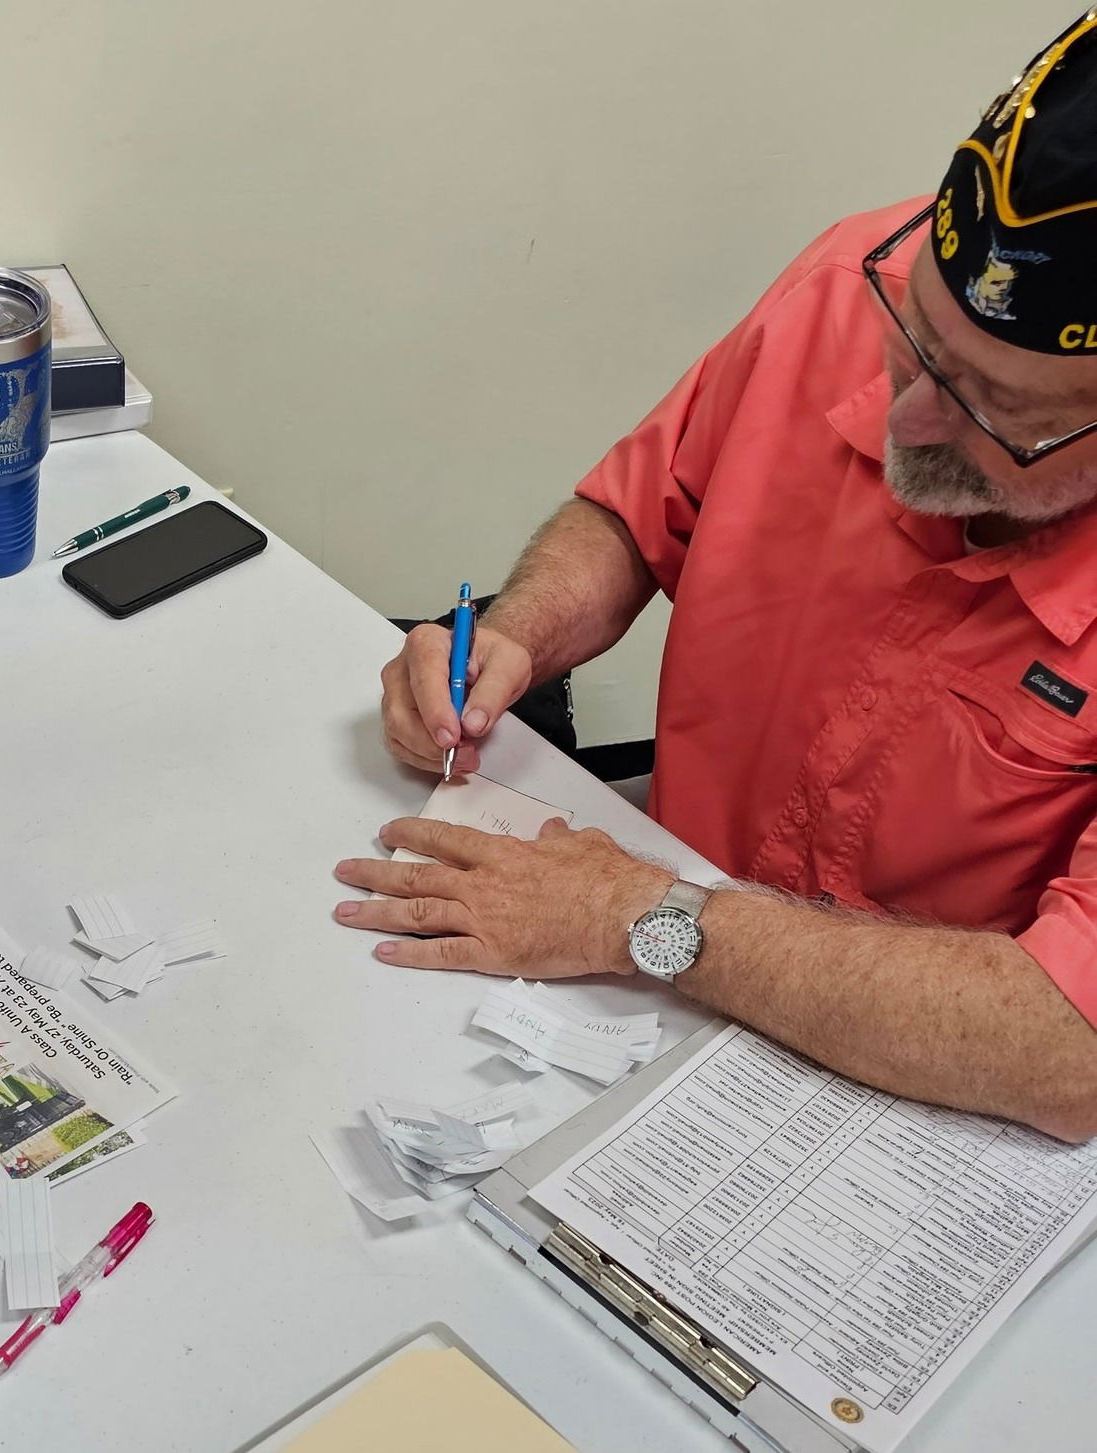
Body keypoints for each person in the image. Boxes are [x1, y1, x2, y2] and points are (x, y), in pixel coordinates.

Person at [343, 11, 1097, 1142]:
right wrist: (516, 632)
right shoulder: (849, 276)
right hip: (634, 969)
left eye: (998, 410)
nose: (907, 418)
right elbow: (634, 515)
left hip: (927, 1099)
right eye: (915, 340)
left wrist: (638, 918)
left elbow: (1065, 1053)